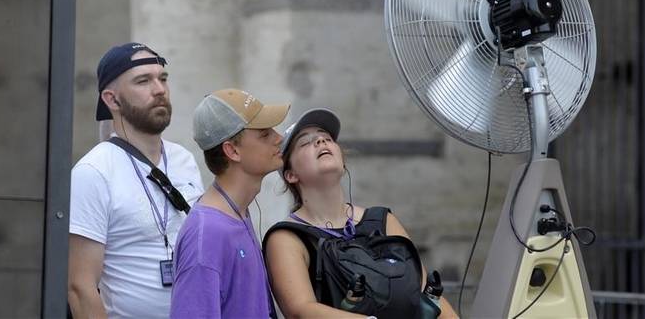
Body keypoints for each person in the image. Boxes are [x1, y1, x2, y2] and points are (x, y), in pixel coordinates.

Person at [263, 108, 458, 319]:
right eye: (305, 142)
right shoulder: (287, 237)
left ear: (343, 161)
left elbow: (423, 291)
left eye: (326, 138)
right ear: (291, 174)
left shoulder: (383, 220)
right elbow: (301, 310)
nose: (320, 141)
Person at [68, 42, 204, 319]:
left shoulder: (184, 160)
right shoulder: (93, 172)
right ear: (112, 99)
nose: (159, 89)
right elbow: (81, 288)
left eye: (162, 78)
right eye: (143, 81)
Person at [170, 88, 290, 318]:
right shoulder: (207, 235)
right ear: (232, 150)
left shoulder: (236, 213)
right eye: (265, 134)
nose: (279, 138)